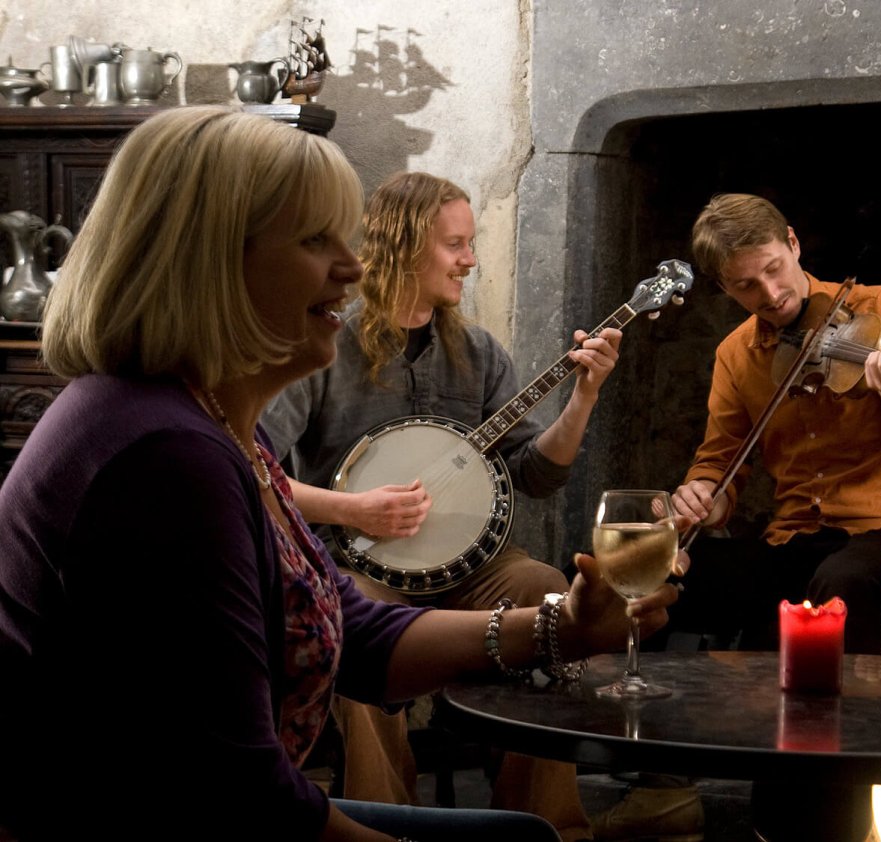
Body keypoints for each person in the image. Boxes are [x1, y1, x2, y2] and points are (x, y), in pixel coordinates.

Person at [0, 105, 680, 842]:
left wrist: (560, 627)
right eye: (315, 240)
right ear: (210, 262)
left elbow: (349, 632)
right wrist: (357, 512)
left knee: (524, 834)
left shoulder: (207, 421)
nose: (353, 268)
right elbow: (238, 798)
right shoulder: (163, 459)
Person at [261, 171, 621, 836]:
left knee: (544, 589)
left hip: (471, 571)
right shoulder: (325, 349)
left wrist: (583, 398)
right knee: (349, 620)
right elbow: (257, 472)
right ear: (402, 245)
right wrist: (352, 510)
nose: (469, 259)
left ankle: (545, 824)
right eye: (455, 244)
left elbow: (534, 475)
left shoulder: (478, 351)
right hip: (359, 563)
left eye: (471, 243)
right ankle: (389, 821)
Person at [666, 192, 881, 656]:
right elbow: (721, 465)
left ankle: (836, 718)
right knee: (663, 571)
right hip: (792, 536)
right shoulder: (736, 354)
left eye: (773, 268)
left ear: (793, 243)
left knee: (841, 583)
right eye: (746, 286)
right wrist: (701, 495)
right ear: (724, 288)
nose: (771, 295)